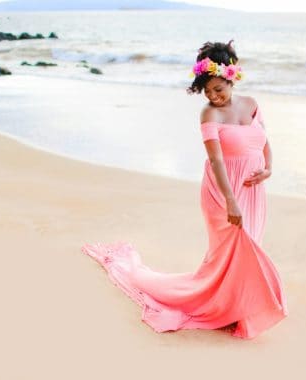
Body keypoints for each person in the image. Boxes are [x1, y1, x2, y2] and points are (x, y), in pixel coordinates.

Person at [82, 40, 287, 339]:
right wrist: (231, 202)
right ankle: (226, 309)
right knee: (230, 254)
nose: (214, 97)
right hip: (222, 192)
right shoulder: (208, 115)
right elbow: (215, 160)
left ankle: (236, 307)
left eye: (219, 89)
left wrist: (268, 169)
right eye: (207, 92)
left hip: (253, 192)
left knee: (248, 249)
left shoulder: (253, 104)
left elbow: (265, 141)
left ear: (231, 78)